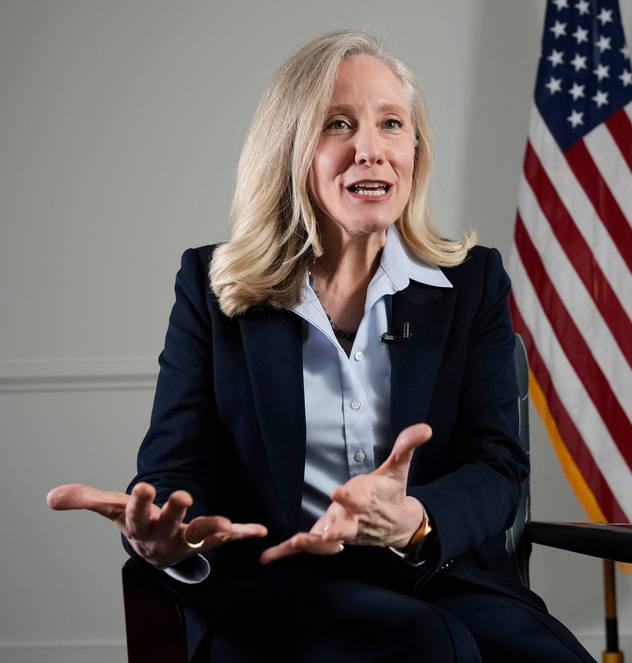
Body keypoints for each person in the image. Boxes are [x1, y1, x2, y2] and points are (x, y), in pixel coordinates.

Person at [47, 28, 595, 663]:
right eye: (338, 124)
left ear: (415, 148)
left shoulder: (470, 282)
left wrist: (414, 518)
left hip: (435, 571)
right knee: (426, 646)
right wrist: (169, 538)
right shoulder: (210, 288)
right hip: (275, 584)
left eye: (392, 123)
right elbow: (176, 469)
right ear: (290, 151)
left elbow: (497, 465)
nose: (371, 150)